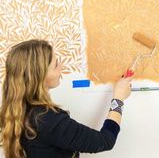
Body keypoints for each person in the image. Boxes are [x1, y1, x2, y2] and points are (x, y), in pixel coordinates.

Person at [0, 39, 132, 158]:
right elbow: (105, 141)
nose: (61, 67)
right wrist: (118, 98)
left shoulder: (16, 109)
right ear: (40, 77)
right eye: (56, 65)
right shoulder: (47, 120)